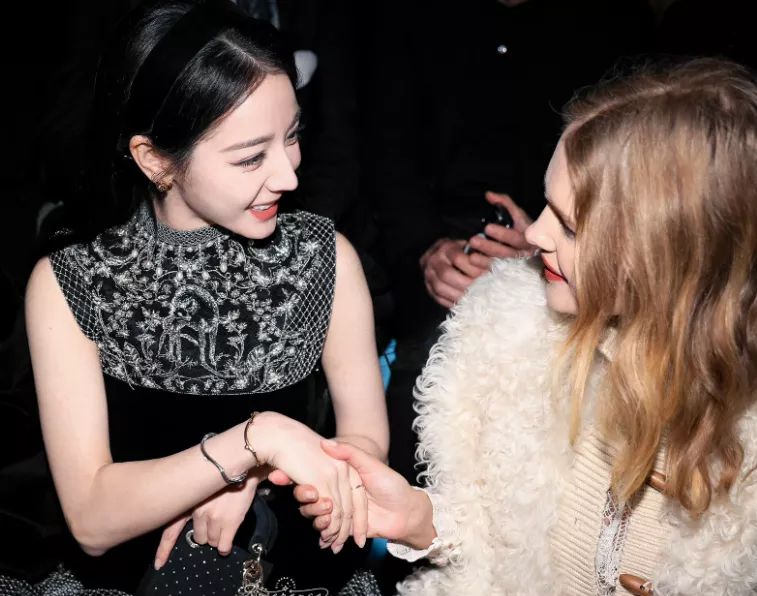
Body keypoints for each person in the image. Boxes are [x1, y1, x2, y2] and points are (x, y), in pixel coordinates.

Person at [291, 59, 757, 594]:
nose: (534, 234)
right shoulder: (510, 338)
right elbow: (492, 544)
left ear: (671, 257)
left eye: (570, 227)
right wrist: (419, 519)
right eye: (545, 206)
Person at [22, 0, 387, 592]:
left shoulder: (325, 258)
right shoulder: (72, 281)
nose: (289, 175)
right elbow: (91, 518)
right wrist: (252, 444)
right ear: (155, 160)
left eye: (292, 136)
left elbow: (368, 448)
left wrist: (256, 475)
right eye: (251, 157)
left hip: (298, 571)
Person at [362, 0, 655, 484]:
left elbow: (641, 185)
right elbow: (385, 157)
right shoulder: (406, 17)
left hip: (589, 258)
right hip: (443, 254)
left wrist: (547, 245)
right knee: (422, 401)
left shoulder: (615, 21)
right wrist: (427, 249)